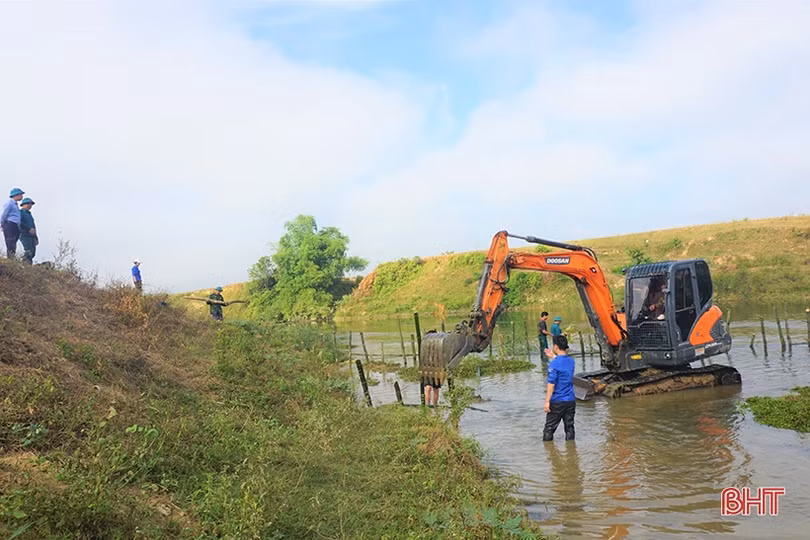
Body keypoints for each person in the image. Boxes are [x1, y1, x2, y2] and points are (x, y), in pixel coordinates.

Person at [543, 335, 576, 441]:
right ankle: (571, 452)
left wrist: (547, 402)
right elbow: (563, 363)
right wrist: (553, 356)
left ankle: (549, 453)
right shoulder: (571, 362)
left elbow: (551, 384)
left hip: (557, 401)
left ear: (555, 347)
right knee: (569, 427)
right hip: (570, 400)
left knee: (549, 429)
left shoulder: (554, 365)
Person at [1, 188, 25, 258]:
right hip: (9, 224)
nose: (21, 196)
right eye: (21, 195)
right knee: (10, 241)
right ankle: (10, 257)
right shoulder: (9, 203)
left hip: (15, 225)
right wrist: (2, 223)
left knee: (14, 241)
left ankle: (12, 256)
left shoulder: (15, 204)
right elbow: (4, 214)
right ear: (16, 195)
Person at [18, 197, 38, 264]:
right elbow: (19, 224)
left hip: (31, 236)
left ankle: (27, 265)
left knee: (32, 253)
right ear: (24, 204)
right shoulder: (20, 213)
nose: (30, 205)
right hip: (24, 235)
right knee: (28, 251)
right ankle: (25, 265)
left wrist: (36, 237)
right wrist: (28, 229)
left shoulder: (29, 215)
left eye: (31, 204)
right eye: (28, 204)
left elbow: (33, 226)